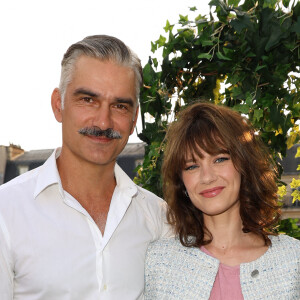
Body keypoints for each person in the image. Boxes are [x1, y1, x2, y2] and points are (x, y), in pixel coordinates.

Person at [0, 35, 171, 300]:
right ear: (59, 105)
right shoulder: (6, 213)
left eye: (119, 106)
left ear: (134, 117)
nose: (103, 122)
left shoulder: (160, 220)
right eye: (88, 100)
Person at [145, 102, 300, 299]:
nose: (207, 177)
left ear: (244, 164)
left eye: (220, 159)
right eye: (192, 166)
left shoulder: (293, 260)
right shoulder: (160, 263)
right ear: (181, 182)